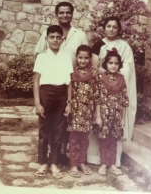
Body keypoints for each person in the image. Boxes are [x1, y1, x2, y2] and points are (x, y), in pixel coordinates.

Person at [35, 2, 88, 163]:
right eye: (61, 12)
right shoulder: (48, 32)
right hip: (49, 84)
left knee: (65, 122)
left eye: (68, 12)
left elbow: (85, 54)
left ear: (72, 14)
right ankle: (46, 158)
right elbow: (38, 56)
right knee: (48, 124)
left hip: (71, 82)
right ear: (57, 14)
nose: (65, 15)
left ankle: (60, 154)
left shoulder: (79, 34)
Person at [87, 16, 137, 167]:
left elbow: (127, 66)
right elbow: (96, 67)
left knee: (114, 127)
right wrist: (106, 76)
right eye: (108, 26)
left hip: (117, 88)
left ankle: (114, 160)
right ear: (103, 27)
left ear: (119, 29)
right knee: (99, 122)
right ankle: (96, 158)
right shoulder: (98, 45)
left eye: (115, 27)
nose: (111, 29)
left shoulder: (124, 46)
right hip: (103, 87)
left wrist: (116, 75)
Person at [33, 25, 73, 179]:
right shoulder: (42, 57)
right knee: (44, 129)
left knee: (58, 129)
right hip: (46, 93)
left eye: (58, 37)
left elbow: (69, 83)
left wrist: (69, 102)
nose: (55, 40)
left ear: (62, 39)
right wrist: (37, 103)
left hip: (62, 93)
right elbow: (36, 81)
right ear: (46, 39)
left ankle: (54, 163)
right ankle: (43, 162)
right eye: (52, 37)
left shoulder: (65, 57)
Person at [94, 48, 129, 175]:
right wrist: (98, 116)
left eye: (116, 63)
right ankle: (103, 164)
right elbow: (97, 98)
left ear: (119, 65)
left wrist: (123, 118)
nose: (113, 66)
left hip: (116, 115)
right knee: (103, 141)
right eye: (110, 63)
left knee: (113, 141)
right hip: (103, 115)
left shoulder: (121, 79)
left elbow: (124, 100)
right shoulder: (100, 78)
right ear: (105, 64)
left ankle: (113, 164)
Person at [67, 45, 96, 178]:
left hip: (87, 111)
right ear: (76, 58)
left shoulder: (94, 73)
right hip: (75, 110)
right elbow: (69, 91)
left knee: (85, 139)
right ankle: (73, 164)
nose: (83, 60)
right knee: (73, 139)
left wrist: (95, 111)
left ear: (90, 59)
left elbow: (97, 93)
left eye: (86, 58)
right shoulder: (72, 73)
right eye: (80, 58)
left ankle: (82, 162)